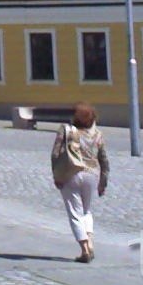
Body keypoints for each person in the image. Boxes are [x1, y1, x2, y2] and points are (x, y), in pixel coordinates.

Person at [50, 101, 109, 263]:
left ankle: (84, 250)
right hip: (92, 174)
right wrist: (103, 181)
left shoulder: (66, 130)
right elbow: (104, 159)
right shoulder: (97, 134)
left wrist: (57, 175)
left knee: (74, 212)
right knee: (86, 211)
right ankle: (90, 242)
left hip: (71, 173)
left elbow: (55, 154)